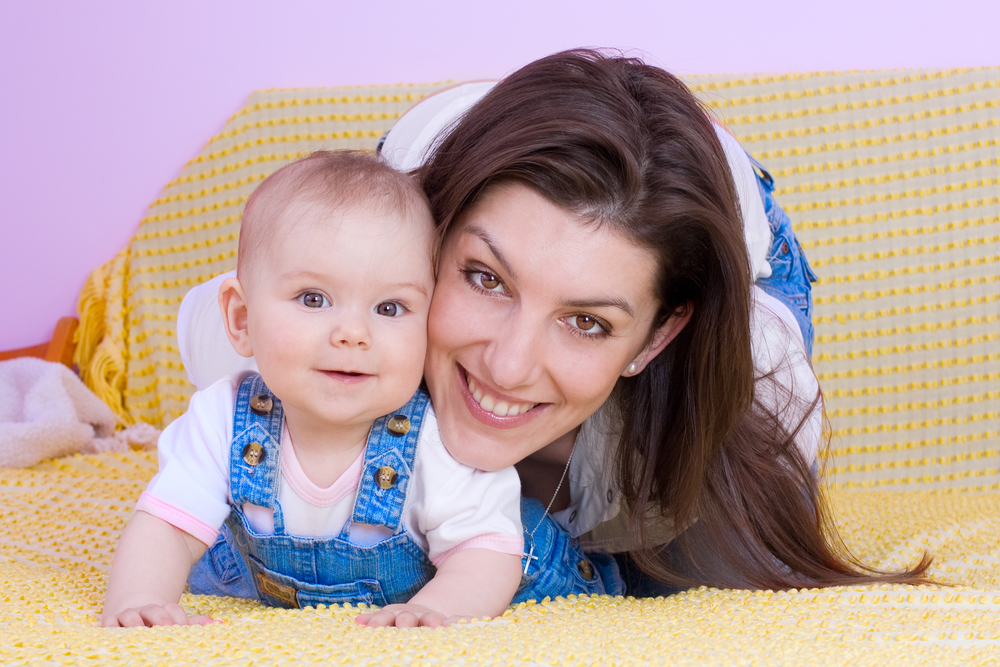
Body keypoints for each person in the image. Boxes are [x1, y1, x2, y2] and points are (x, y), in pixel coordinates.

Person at [177, 50, 929, 602]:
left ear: (654, 338)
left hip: (740, 227)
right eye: (485, 278)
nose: (508, 366)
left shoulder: (754, 401)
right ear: (431, 250)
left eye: (587, 322)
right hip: (467, 135)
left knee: (696, 567)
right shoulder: (323, 312)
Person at [101, 151, 622, 630]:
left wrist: (434, 612)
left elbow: (484, 552)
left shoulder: (435, 440)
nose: (353, 334)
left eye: (389, 308)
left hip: (520, 575)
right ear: (241, 318)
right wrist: (139, 602)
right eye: (313, 299)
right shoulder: (221, 417)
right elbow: (167, 527)